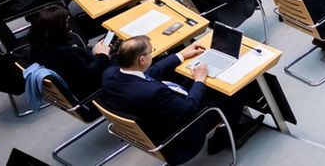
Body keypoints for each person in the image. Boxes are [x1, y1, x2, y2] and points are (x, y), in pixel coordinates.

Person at [99, 35, 255, 162]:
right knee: (234, 91)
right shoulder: (154, 92)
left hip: (153, 128)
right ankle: (224, 138)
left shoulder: (110, 74)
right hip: (181, 136)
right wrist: (200, 80)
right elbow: (188, 109)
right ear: (141, 60)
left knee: (188, 80)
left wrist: (181, 55)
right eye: (150, 51)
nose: (151, 54)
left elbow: (149, 73)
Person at [28, 4, 110, 101]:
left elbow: (77, 65)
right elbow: (89, 75)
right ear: (57, 29)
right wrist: (103, 56)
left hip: (77, 86)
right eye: (66, 22)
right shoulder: (64, 53)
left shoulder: (37, 48)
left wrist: (94, 50)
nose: (69, 26)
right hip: (95, 92)